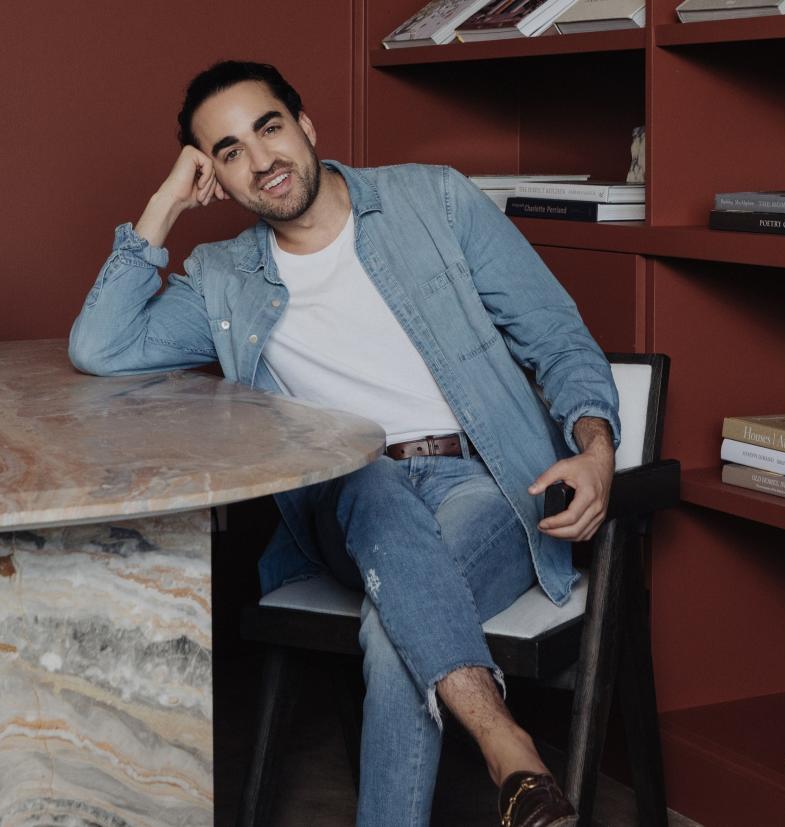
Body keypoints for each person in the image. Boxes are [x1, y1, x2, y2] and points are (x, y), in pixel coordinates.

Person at [69, 60, 620, 827]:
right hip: (345, 498)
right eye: (227, 152)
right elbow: (101, 345)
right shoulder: (223, 278)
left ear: (306, 126)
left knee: (395, 628)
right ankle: (511, 750)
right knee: (366, 482)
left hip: (484, 483)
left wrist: (595, 449)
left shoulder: (434, 199)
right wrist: (162, 205)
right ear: (214, 179)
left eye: (268, 128)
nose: (260, 161)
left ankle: (509, 767)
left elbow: (558, 340)